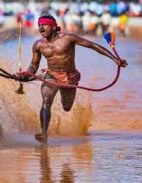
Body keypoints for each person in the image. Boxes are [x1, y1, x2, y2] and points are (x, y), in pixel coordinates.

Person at [15, 14, 127, 143]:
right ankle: (44, 133)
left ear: (53, 27)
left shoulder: (68, 38)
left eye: (44, 25)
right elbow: (33, 67)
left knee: (67, 107)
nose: (41, 27)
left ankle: (55, 125)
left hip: (70, 77)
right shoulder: (38, 45)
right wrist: (24, 74)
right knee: (46, 101)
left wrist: (115, 59)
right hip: (51, 75)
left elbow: (93, 46)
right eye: (39, 25)